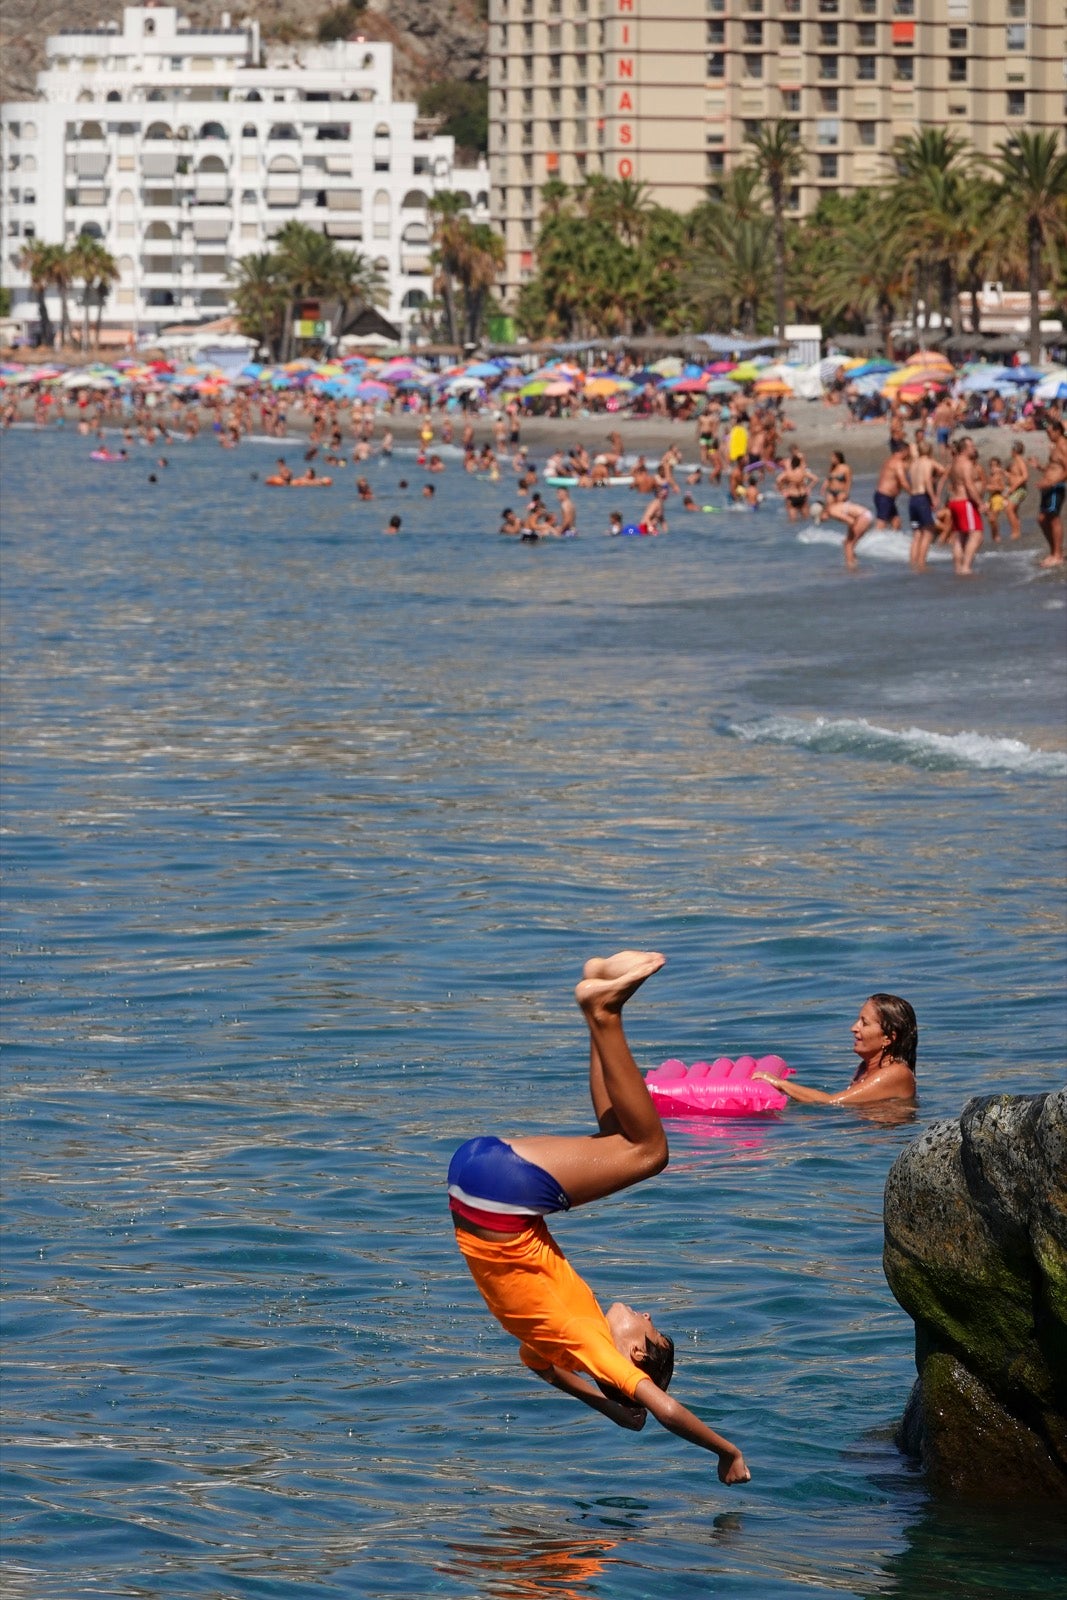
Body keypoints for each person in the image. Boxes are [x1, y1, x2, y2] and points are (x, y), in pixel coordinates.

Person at [449, 951, 751, 1483]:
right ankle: (600, 998)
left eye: (651, 1330)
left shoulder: (591, 1343)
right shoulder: (554, 1345)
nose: (650, 1315)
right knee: (618, 1142)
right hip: (476, 1187)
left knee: (650, 1153)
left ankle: (605, 1012)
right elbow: (549, 1374)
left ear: (635, 1354)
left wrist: (726, 1453)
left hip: (501, 1196)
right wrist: (614, 1410)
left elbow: (665, 1411)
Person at [754, 994, 917, 1107]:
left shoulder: (897, 1073)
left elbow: (833, 1102)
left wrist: (780, 1084)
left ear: (888, 1038)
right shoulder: (864, 1068)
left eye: (864, 1023)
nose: (854, 1028)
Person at [945, 437, 984, 576]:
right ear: (965, 449)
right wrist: (980, 503)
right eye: (971, 446)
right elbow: (968, 484)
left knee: (960, 536)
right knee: (977, 535)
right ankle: (966, 567)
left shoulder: (954, 462)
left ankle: (958, 568)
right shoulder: (966, 463)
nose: (974, 449)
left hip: (954, 502)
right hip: (964, 502)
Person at [1035, 419, 1066, 568]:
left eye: (1050, 432)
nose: (1048, 434)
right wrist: (1039, 467)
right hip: (1048, 487)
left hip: (1056, 487)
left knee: (1053, 519)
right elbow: (1053, 467)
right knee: (1042, 519)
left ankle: (1058, 555)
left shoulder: (1064, 446)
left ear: (1058, 431)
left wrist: (1051, 482)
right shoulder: (1055, 447)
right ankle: (1054, 551)